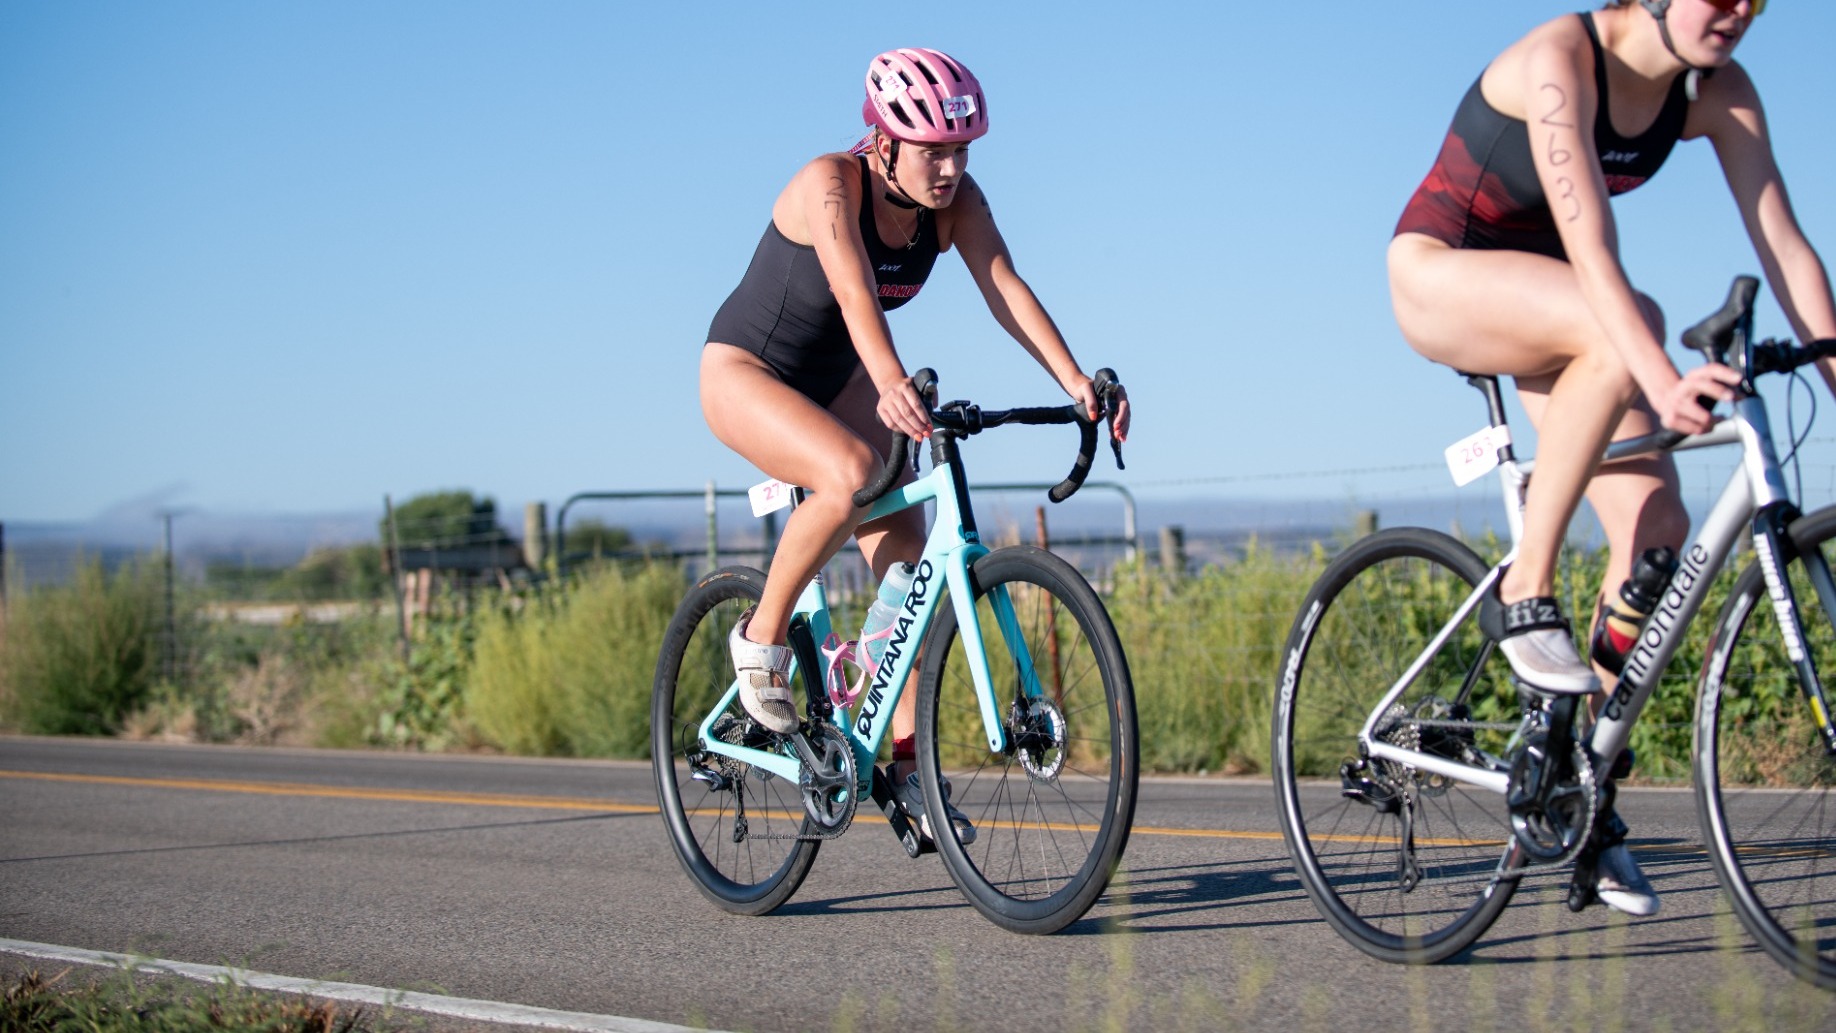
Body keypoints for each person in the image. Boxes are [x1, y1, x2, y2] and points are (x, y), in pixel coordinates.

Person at [1388, 0, 1836, 916]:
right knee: (1628, 322)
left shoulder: (1720, 91)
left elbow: (1786, 250)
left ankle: (1574, 786)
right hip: (1441, 273)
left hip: (1554, 306)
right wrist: (1662, 378)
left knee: (1659, 530)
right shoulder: (1563, 57)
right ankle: (1529, 593)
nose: (1742, 10)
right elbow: (1591, 247)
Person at [701, 47, 1130, 844]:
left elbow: (1004, 284)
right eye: (934, 150)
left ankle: (899, 767)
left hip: (838, 380)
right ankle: (759, 640)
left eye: (961, 150)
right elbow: (856, 293)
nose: (950, 167)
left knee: (912, 577)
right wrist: (893, 382)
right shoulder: (829, 184)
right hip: (747, 372)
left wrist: (1078, 381)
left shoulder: (956, 202)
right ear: (885, 140)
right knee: (851, 471)